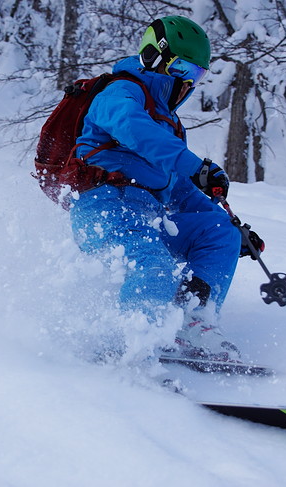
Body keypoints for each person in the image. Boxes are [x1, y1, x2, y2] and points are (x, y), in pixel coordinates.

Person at [70, 16, 257, 361]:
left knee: (218, 233)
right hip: (104, 210)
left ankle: (193, 323)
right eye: (183, 69)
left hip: (149, 217)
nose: (188, 83)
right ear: (155, 58)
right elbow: (132, 128)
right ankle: (134, 346)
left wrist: (232, 227)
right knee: (150, 263)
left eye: (196, 75)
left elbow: (181, 191)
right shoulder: (120, 92)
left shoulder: (169, 126)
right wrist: (193, 165)